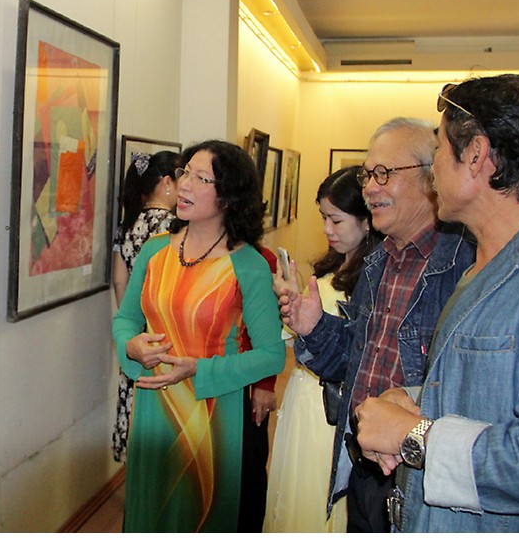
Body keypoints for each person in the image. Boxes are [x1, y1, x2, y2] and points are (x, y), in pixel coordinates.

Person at [356, 74, 519, 532]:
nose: (433, 168)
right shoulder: (482, 267)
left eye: (439, 148)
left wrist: (412, 434)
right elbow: (498, 394)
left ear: (476, 155)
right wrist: (415, 399)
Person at [277, 118, 475, 531]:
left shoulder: (463, 265)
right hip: (361, 468)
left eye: (384, 173)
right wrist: (314, 326)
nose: (369, 187)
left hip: (418, 476)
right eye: (367, 175)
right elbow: (352, 364)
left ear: (431, 176)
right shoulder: (378, 262)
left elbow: (467, 391)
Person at [112, 139, 284, 532]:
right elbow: (125, 320)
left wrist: (198, 370)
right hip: (154, 405)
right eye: (184, 172)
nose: (184, 184)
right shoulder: (155, 251)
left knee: (202, 512)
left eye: (201, 178)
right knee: (151, 512)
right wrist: (131, 346)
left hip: (214, 414)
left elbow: (271, 355)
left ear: (228, 196)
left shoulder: (249, 265)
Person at [264, 165, 383, 532]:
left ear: (367, 221)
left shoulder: (372, 279)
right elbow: (304, 334)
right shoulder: (333, 266)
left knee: (315, 497)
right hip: (302, 395)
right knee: (291, 492)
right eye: (323, 218)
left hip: (329, 407)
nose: (328, 229)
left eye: (337, 220)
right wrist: (292, 301)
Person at [110, 149, 181, 463]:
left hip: (137, 338)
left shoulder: (128, 224)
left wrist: (131, 325)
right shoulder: (176, 228)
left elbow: (119, 280)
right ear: (166, 183)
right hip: (167, 334)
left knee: (135, 399)